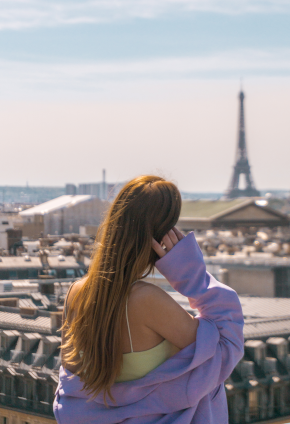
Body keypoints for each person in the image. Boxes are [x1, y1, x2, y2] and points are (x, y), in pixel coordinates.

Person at [54, 175, 244, 424]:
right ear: (164, 234)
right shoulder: (146, 300)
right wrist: (190, 273)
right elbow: (227, 343)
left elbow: (72, 380)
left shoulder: (76, 293)